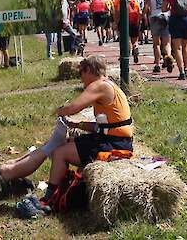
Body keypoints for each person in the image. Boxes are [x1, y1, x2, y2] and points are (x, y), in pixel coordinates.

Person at [45, 56, 133, 201]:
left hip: (115, 144)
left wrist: (58, 111)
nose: (81, 79)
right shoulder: (109, 85)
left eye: (81, 74)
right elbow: (105, 126)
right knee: (68, 142)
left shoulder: (99, 85)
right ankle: (66, 186)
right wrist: (77, 125)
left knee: (60, 152)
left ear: (88, 70)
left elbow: (73, 108)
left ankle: (51, 196)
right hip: (116, 139)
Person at [148, 0, 171, 69]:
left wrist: (144, 17)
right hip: (166, 16)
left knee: (156, 43)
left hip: (155, 17)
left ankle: (157, 64)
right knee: (167, 43)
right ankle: (168, 56)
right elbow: (169, 5)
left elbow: (146, 7)